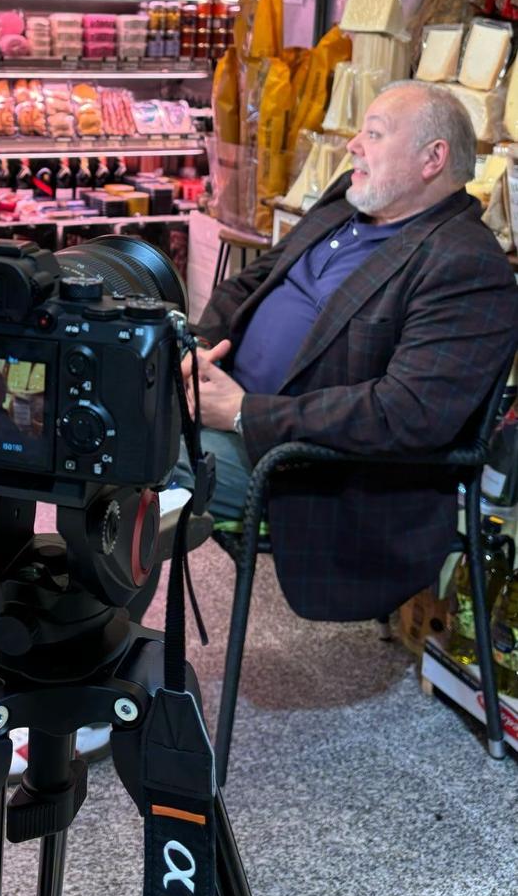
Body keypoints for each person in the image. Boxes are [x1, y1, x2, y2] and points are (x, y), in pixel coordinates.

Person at [182, 80, 518, 620]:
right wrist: (200, 349)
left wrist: (244, 412)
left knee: (131, 456)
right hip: (223, 400)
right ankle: (79, 645)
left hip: (308, 465)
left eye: (375, 134)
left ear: (433, 159)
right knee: (96, 403)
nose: (352, 145)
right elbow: (254, 281)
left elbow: (406, 415)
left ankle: (86, 662)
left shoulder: (466, 266)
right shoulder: (349, 198)